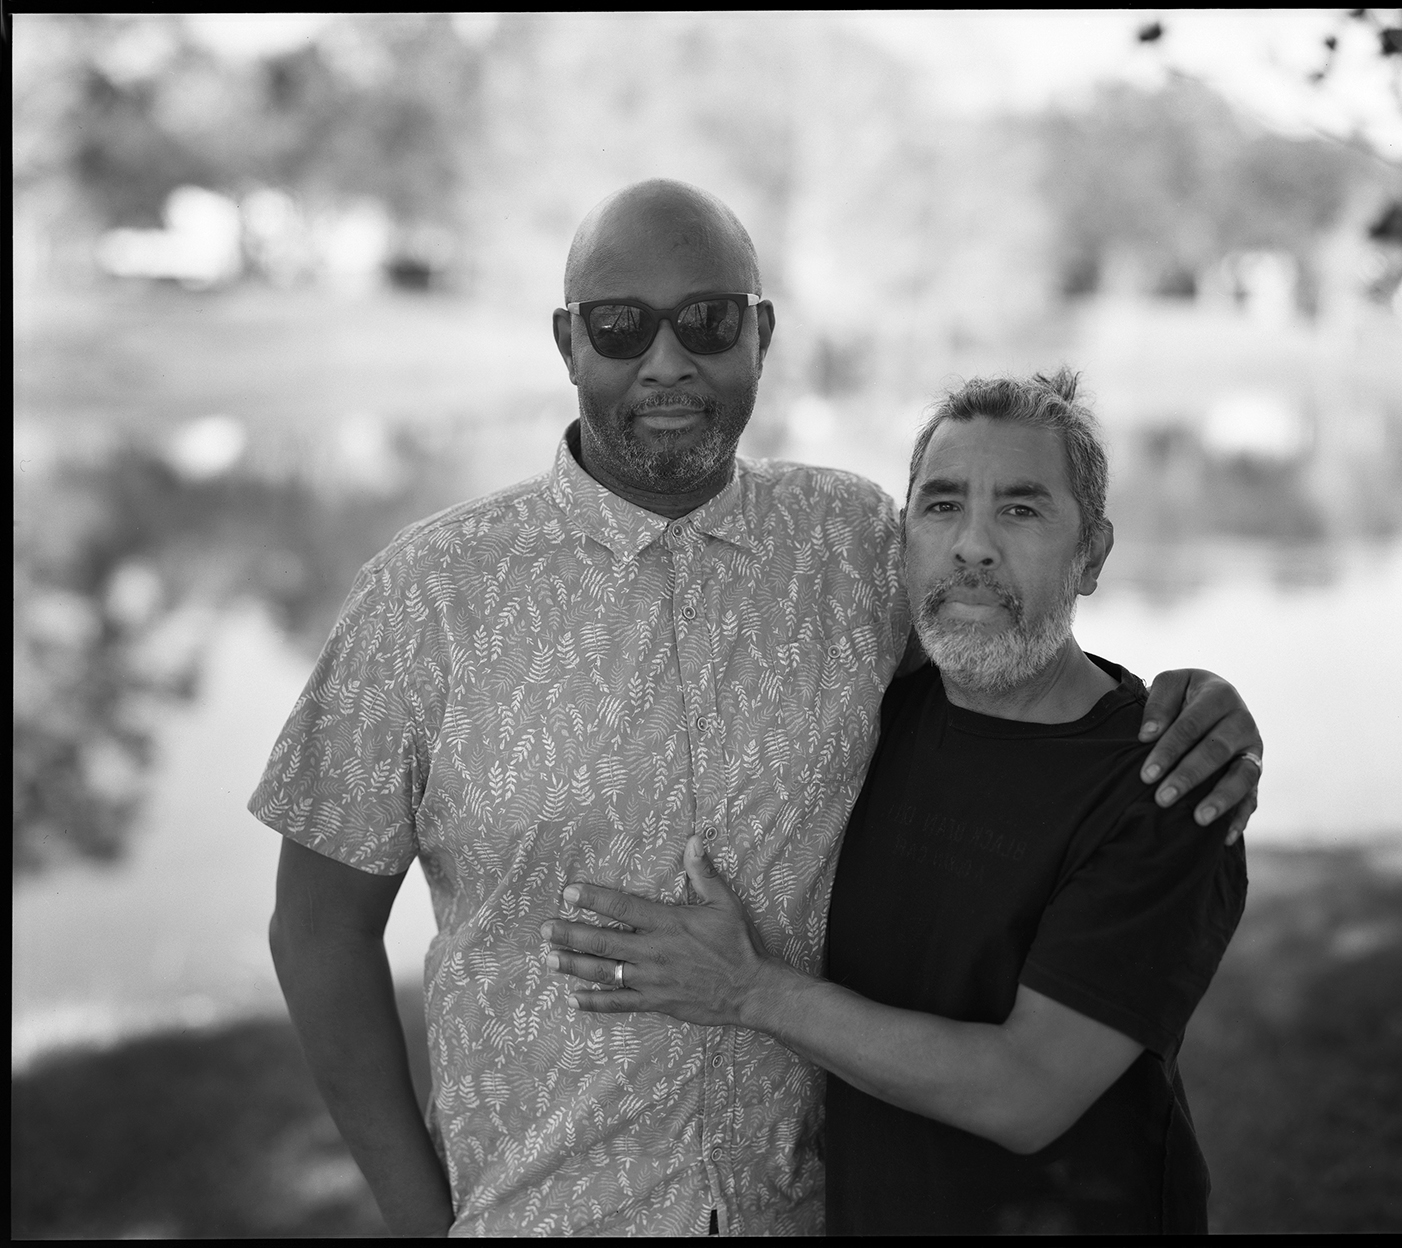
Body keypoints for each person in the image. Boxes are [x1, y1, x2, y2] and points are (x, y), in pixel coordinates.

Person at [254, 180, 1264, 1237]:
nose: (666, 362)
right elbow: (318, 934)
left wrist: (1184, 701)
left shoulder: (848, 540)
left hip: (812, 1210)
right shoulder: (428, 593)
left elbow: (999, 646)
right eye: (619, 325)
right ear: (567, 341)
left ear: (760, 331)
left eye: (706, 320)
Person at [546, 370, 1249, 1235]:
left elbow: (1026, 1090)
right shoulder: (873, 722)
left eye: (1021, 510)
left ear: (1092, 554)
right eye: (942, 506)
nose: (974, 546)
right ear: (904, 538)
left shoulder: (1166, 786)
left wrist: (745, 991)